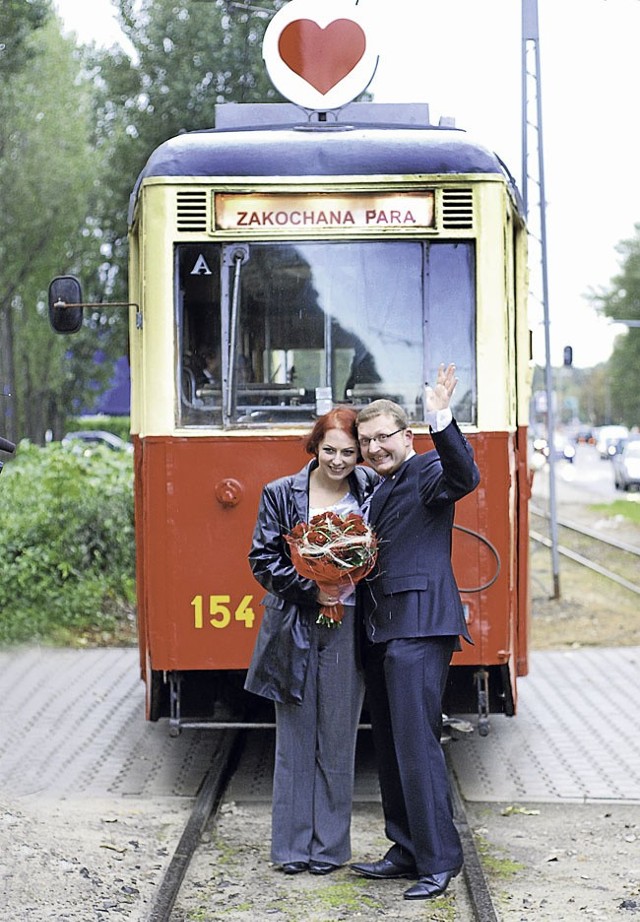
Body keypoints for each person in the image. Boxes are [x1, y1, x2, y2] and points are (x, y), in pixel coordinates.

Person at [350, 362, 481, 901]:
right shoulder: (377, 487)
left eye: (384, 438)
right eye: (366, 441)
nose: (376, 448)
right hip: (383, 629)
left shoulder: (426, 470)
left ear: (406, 436)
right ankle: (405, 848)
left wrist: (440, 418)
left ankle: (439, 860)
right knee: (391, 742)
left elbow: (464, 477)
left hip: (419, 628)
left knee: (418, 744)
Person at [245, 407, 379, 876]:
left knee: (339, 737)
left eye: (348, 452)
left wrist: (346, 584)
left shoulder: (372, 490)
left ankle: (330, 849)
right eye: (329, 450)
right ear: (314, 447)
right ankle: (290, 848)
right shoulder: (280, 494)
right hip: (294, 624)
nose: (338, 461)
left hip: (350, 621)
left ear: (360, 452)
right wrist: (313, 588)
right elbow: (262, 559)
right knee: (295, 737)